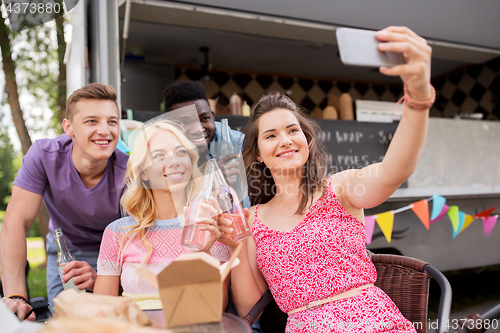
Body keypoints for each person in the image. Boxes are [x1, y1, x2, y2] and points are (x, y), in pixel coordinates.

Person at [226, 26, 434, 332]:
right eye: (271, 135)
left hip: (371, 323)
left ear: (306, 140)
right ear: (258, 154)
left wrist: (418, 98)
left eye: (293, 130)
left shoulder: (342, 188)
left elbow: (395, 170)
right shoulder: (251, 220)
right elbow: (248, 308)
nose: (285, 140)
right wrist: (238, 244)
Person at [0, 83, 129, 320]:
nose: (105, 130)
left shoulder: (129, 170)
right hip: (65, 254)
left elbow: (141, 244)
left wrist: (102, 276)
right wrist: (17, 297)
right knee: (65, 321)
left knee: (110, 322)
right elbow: (15, 223)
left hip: (116, 258)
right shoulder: (43, 156)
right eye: (92, 121)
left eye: (112, 121)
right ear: (68, 127)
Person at [93, 119, 231, 310]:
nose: (174, 162)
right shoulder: (118, 232)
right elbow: (101, 310)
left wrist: (203, 252)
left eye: (181, 152)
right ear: (143, 173)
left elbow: (217, 307)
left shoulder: (210, 226)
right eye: (159, 155)